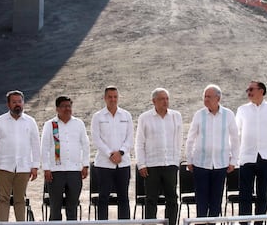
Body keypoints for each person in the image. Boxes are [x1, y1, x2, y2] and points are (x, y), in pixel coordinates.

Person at [185, 84, 239, 219]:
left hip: (221, 164)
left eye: (209, 97)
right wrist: (189, 160)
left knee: (216, 200)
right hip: (201, 164)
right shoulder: (199, 115)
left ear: (218, 98)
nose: (206, 99)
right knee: (201, 200)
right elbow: (190, 139)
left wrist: (233, 161)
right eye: (205, 96)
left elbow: (235, 139)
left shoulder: (228, 115)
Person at [236, 81, 267, 225]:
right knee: (244, 193)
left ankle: (259, 223)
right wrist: (233, 155)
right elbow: (234, 133)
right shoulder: (242, 110)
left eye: (251, 89)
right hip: (246, 156)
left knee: (262, 194)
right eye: (247, 90)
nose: (249, 92)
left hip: (266, 156)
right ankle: (244, 223)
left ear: (261, 91)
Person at [0, 90, 40, 222]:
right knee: (3, 199)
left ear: (23, 103)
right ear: (8, 104)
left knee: (20, 199)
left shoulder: (30, 121)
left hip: (23, 167)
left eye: (20, 102)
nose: (18, 105)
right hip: (4, 166)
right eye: (14, 102)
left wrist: (35, 166)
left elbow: (35, 145)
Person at [135, 87, 182, 225]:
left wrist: (176, 161)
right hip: (151, 165)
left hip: (170, 165)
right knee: (151, 200)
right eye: (162, 99)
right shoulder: (145, 118)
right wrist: (141, 164)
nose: (165, 101)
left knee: (172, 199)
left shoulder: (176, 116)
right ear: (154, 101)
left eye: (167, 98)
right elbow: (139, 142)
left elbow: (179, 140)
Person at [41, 95, 90, 221]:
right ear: (57, 109)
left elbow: (85, 145)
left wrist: (85, 165)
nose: (67, 109)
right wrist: (46, 168)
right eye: (63, 106)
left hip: (74, 171)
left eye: (69, 106)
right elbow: (44, 147)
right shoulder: (50, 125)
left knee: (72, 207)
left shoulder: (78, 124)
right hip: (55, 172)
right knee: (55, 207)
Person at [91, 86, 134, 220]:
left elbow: (130, 137)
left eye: (115, 96)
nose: (113, 99)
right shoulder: (98, 117)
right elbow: (96, 139)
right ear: (104, 98)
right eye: (110, 97)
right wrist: (110, 154)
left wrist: (120, 153)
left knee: (123, 197)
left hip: (123, 163)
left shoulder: (126, 115)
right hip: (104, 164)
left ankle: (125, 223)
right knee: (103, 197)